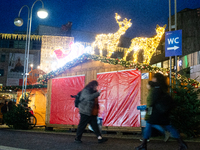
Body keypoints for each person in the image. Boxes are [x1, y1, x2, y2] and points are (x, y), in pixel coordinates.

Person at [135, 73, 188, 150]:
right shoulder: (162, 87)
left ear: (156, 79)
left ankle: (144, 145)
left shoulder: (156, 87)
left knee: (150, 125)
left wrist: (148, 107)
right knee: (168, 127)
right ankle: (182, 143)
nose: (152, 79)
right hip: (162, 112)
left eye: (154, 78)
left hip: (156, 112)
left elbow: (153, 100)